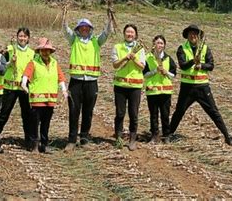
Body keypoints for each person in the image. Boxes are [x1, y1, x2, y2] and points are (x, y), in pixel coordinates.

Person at [169, 25, 232, 146]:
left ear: (198, 36)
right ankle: (168, 134)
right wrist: (193, 61)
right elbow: (183, 65)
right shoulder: (182, 48)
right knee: (179, 111)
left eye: (195, 33)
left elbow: (211, 65)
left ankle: (227, 136)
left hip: (202, 87)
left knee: (214, 112)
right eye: (190, 33)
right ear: (187, 36)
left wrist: (201, 65)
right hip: (187, 87)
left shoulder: (205, 48)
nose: (193, 36)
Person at [62, 14, 112, 152]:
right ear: (78, 29)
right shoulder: (74, 40)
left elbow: (107, 33)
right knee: (73, 111)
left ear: (90, 29)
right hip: (76, 82)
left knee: (88, 111)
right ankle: (71, 140)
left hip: (91, 82)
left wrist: (109, 17)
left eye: (87, 27)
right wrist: (65, 14)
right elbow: (65, 29)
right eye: (82, 27)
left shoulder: (96, 41)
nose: (84, 29)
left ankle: (84, 138)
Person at [0, 27, 35, 151]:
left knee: (27, 115)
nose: (22, 38)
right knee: (4, 113)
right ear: (16, 37)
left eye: (25, 36)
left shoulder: (32, 53)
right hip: (10, 87)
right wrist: (11, 62)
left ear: (28, 39)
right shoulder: (10, 49)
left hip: (24, 88)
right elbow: (1, 65)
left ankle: (29, 140)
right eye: (20, 36)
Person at [21, 38, 68, 153]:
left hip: (50, 100)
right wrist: (23, 84)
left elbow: (60, 77)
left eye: (47, 50)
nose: (45, 52)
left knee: (46, 124)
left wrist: (64, 90)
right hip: (37, 100)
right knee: (34, 124)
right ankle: (35, 145)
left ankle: (44, 144)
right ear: (39, 51)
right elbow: (26, 75)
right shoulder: (34, 63)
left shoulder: (54, 63)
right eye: (43, 50)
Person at [111, 24, 146, 151]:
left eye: (132, 32)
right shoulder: (117, 47)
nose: (129, 34)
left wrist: (133, 58)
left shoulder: (140, 49)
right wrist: (125, 57)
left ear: (135, 34)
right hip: (120, 85)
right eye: (127, 32)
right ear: (124, 34)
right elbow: (115, 65)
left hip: (135, 86)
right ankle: (118, 138)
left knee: (134, 114)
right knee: (120, 113)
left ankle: (132, 140)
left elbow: (142, 66)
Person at [143, 35, 177, 144]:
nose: (159, 45)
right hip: (152, 90)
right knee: (153, 114)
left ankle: (166, 135)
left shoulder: (168, 59)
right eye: (157, 43)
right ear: (153, 44)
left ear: (164, 45)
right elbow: (145, 74)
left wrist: (166, 72)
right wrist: (155, 71)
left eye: (161, 43)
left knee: (165, 114)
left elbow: (174, 75)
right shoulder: (147, 57)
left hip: (165, 91)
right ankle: (154, 135)